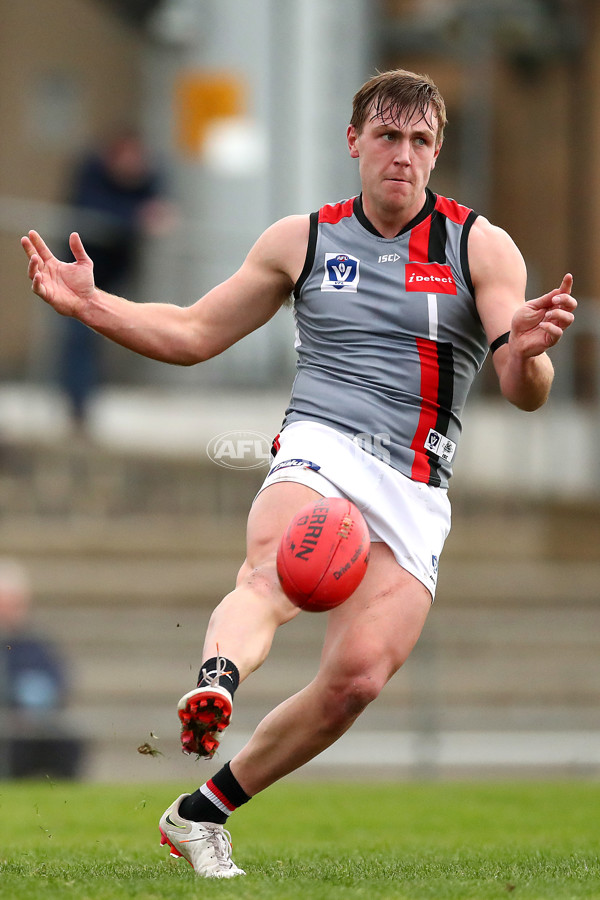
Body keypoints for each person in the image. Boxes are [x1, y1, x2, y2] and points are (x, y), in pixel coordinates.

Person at [22, 69, 576, 876]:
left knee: (354, 681)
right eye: (387, 137)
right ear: (353, 142)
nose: (403, 156)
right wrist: (93, 305)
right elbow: (192, 332)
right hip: (321, 443)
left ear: (437, 151)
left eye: (420, 141)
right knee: (271, 573)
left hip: (417, 484)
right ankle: (216, 681)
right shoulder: (301, 239)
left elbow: (523, 392)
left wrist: (527, 354)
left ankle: (199, 813)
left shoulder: (479, 246)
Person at [58, 128, 172, 425]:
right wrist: (137, 217)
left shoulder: (149, 177)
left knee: (115, 334)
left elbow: (158, 209)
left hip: (115, 276)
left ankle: (89, 401)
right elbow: (91, 210)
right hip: (76, 277)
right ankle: (78, 408)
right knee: (79, 340)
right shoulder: (91, 173)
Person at [0, 558, 84, 778]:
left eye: (14, 604)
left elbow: (59, 680)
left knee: (67, 741)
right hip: (7, 725)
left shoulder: (35, 644)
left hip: (35, 725)